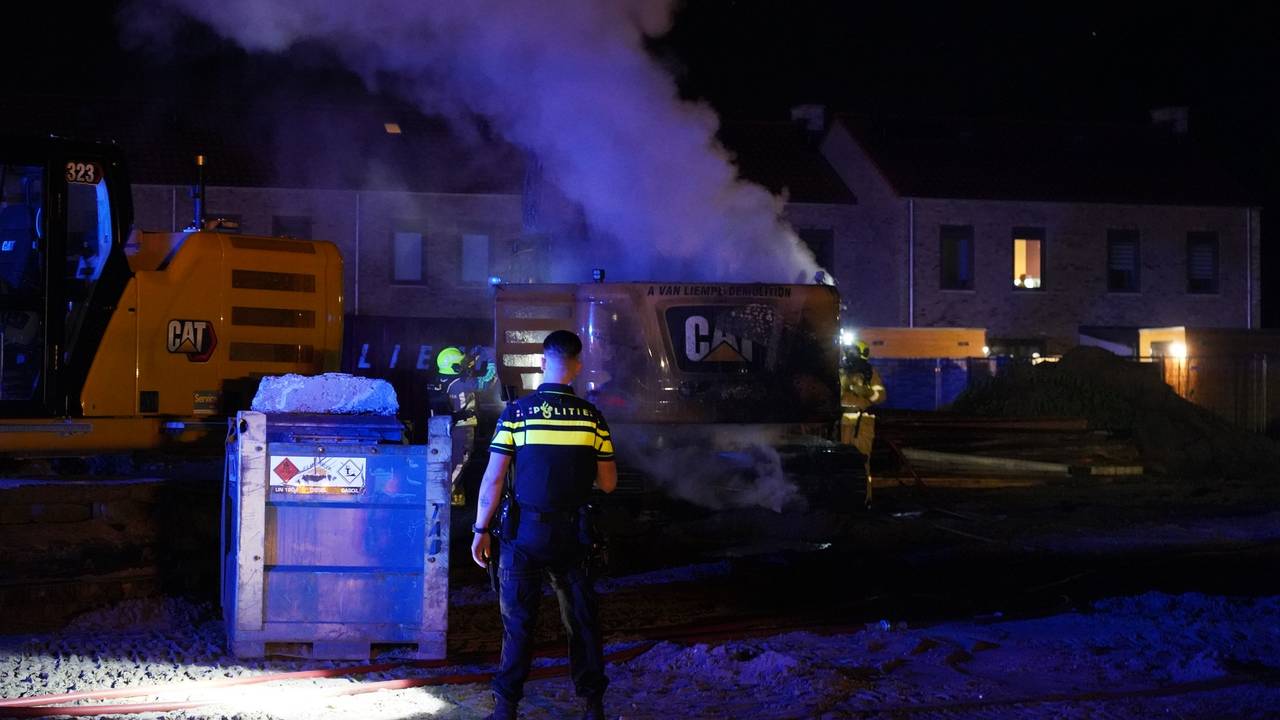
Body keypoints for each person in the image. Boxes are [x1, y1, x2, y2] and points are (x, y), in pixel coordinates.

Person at [471, 329, 618, 720]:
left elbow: (494, 479)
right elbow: (608, 484)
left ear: (541, 363)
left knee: (518, 624)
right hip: (573, 535)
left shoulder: (517, 413)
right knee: (582, 623)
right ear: (577, 366)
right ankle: (592, 707)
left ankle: (506, 709)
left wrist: (480, 529)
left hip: (523, 536)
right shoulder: (593, 417)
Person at [839, 340, 886, 506]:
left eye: (851, 350)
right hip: (842, 424)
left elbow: (880, 396)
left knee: (861, 461)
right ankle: (844, 498)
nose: (848, 353)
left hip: (862, 424)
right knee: (841, 462)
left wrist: (865, 391)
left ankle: (865, 500)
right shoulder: (841, 371)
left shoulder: (869, 372)